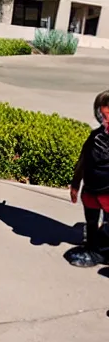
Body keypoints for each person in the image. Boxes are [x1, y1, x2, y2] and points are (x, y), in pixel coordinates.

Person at [69, 90, 109, 267]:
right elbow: (83, 159)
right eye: (103, 116)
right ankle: (93, 250)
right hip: (91, 190)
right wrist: (75, 183)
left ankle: (104, 251)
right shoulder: (94, 137)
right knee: (91, 221)